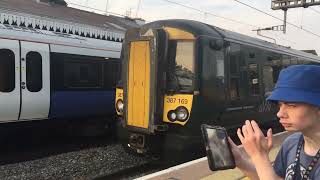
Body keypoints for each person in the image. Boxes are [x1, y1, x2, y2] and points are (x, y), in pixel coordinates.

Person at [228, 65, 320, 180]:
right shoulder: (292, 143)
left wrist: (260, 157)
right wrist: (240, 161)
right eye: (280, 105)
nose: (280, 114)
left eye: (291, 105)